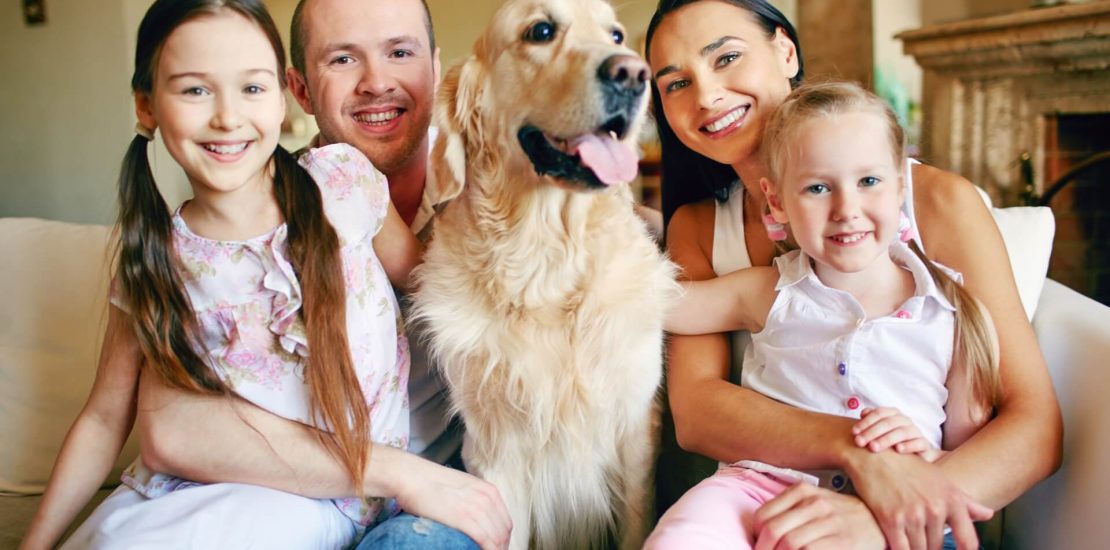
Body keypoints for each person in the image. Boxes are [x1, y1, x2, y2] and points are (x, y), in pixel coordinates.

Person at [646, 1, 1062, 549]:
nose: (705, 95)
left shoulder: (936, 203)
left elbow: (1033, 426)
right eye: (676, 84)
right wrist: (857, 448)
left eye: (726, 57)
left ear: (785, 50)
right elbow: (697, 412)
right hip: (759, 493)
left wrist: (883, 516)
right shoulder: (698, 226)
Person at [20, 0, 428, 548]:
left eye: (252, 88)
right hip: (184, 492)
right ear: (146, 107)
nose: (227, 117)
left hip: (322, 498)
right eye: (195, 90)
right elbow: (103, 418)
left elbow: (436, 290)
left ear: (283, 100)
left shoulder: (343, 182)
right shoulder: (158, 256)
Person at [128, 0, 512, 548]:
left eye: (400, 52)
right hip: (292, 498)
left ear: (434, 67)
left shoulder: (507, 192)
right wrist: (392, 471)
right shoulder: (255, 219)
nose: (376, 81)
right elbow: (174, 425)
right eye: (342, 59)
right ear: (300, 90)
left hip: (436, 504)